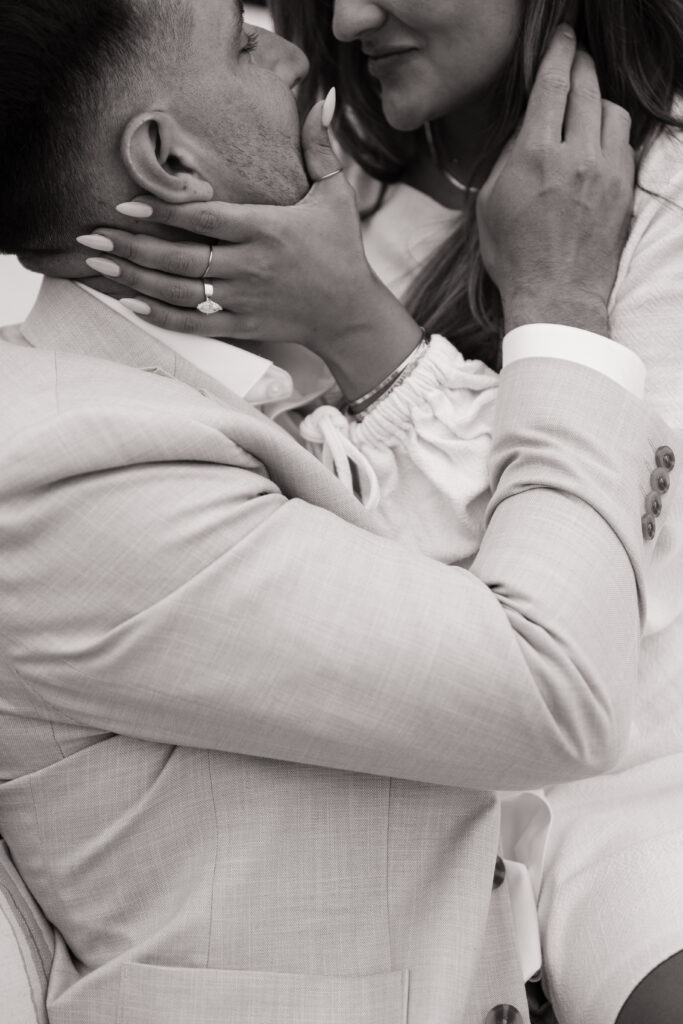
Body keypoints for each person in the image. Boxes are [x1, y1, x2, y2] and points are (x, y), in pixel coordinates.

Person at [0, 2, 671, 1024]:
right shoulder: (78, 455)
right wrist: (557, 310)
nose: (314, 36)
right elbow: (544, 672)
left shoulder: (202, 344)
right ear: (168, 161)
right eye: (242, 37)